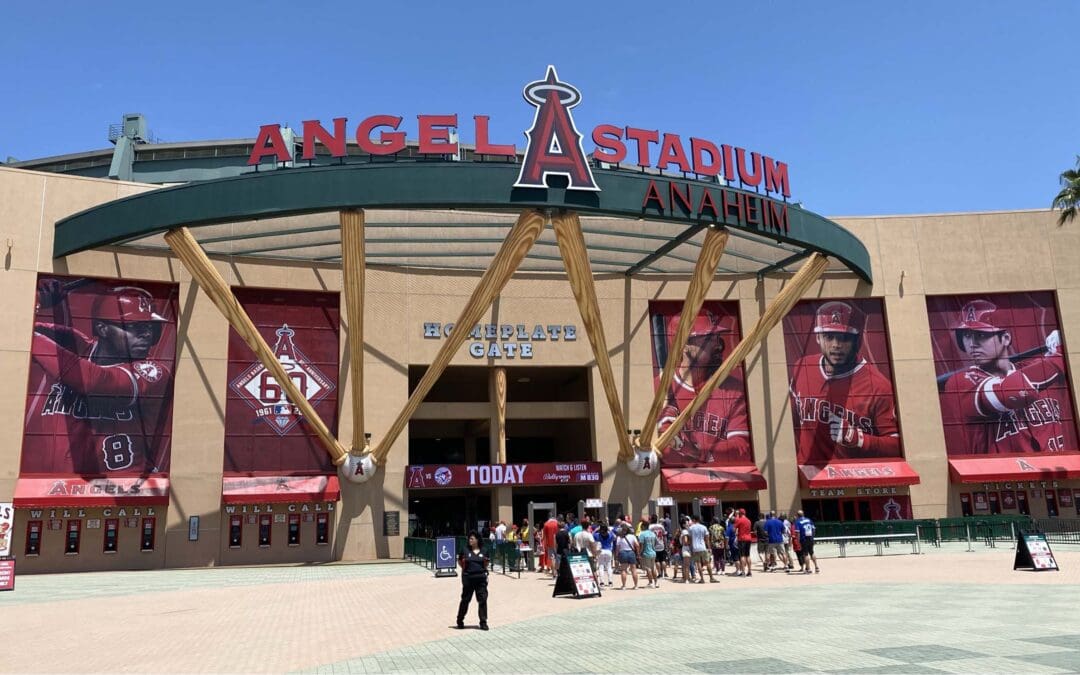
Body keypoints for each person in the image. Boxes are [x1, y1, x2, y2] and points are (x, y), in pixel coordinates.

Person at [25, 280, 173, 475]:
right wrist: (34, 300)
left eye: (149, 328)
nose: (146, 334)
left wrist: (26, 334)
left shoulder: (153, 372)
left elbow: (93, 381)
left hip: (127, 488)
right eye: (135, 327)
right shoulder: (78, 344)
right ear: (103, 329)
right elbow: (13, 324)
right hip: (64, 486)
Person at [941, 299, 1069, 454]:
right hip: (1003, 475)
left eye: (981, 335)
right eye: (967, 335)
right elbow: (1016, 392)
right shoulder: (959, 383)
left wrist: (1069, 345)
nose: (972, 343)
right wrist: (1062, 354)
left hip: (1059, 470)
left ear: (1006, 338)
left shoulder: (1042, 369)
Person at [788, 301, 901, 462]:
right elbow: (788, 421)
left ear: (857, 340)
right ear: (818, 338)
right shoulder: (802, 366)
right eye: (829, 336)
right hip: (806, 477)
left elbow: (898, 445)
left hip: (851, 478)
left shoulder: (879, 386)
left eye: (844, 338)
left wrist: (860, 439)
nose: (836, 345)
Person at [655, 313, 752, 465]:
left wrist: (699, 451)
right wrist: (667, 435)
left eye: (716, 337)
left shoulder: (732, 390)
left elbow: (741, 447)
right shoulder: (659, 387)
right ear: (684, 345)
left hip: (721, 482)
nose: (717, 344)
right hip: (675, 480)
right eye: (707, 338)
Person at [456, 531, 489, 630]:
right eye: (469, 539)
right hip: (468, 579)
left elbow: (486, 563)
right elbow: (460, 562)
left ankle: (483, 622)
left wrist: (482, 572)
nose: (470, 540)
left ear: (477, 540)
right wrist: (466, 570)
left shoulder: (484, 550)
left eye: (472, 538)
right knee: (465, 600)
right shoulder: (465, 550)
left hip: (481, 579)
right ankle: (460, 620)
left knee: (482, 600)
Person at [687, 514, 715, 583]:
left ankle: (702, 579)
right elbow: (707, 539)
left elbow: (689, 539)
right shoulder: (704, 527)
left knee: (698, 563)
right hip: (703, 547)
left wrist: (690, 548)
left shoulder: (691, 528)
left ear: (693, 520)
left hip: (695, 548)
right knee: (707, 563)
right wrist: (709, 547)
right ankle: (711, 578)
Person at [614, 524, 640, 590]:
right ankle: (636, 585)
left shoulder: (619, 538)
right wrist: (638, 553)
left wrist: (616, 556)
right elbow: (637, 545)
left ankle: (624, 586)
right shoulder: (632, 536)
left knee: (623, 570)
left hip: (623, 553)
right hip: (631, 552)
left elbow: (617, 548)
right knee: (633, 570)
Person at [794, 510, 819, 574]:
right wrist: (812, 537)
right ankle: (816, 567)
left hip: (803, 539)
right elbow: (813, 529)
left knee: (805, 554)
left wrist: (798, 540)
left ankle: (808, 568)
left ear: (797, 515)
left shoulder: (798, 522)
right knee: (812, 552)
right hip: (810, 538)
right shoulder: (809, 520)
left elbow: (797, 532)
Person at [637, 520, 659, 588]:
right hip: (653, 552)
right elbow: (656, 543)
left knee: (648, 568)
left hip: (646, 553)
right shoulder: (653, 533)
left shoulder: (642, 534)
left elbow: (641, 545)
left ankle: (650, 582)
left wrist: (639, 553)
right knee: (653, 568)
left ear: (643, 526)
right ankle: (656, 582)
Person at [593, 522, 615, 587]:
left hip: (600, 551)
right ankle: (610, 581)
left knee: (601, 567)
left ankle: (602, 582)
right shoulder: (610, 535)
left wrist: (596, 529)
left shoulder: (597, 535)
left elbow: (592, 534)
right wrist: (609, 529)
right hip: (608, 551)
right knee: (609, 567)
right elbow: (614, 536)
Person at [734, 508, 753, 577]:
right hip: (749, 538)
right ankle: (750, 571)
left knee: (742, 555)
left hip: (742, 539)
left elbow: (734, 530)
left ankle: (743, 572)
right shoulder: (749, 520)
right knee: (748, 555)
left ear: (740, 513)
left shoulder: (739, 520)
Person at [542, 513, 559, 577]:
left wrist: (544, 544)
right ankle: (557, 572)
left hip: (550, 544)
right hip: (557, 543)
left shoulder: (546, 524)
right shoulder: (557, 523)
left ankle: (553, 573)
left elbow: (544, 536)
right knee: (558, 558)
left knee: (552, 559)